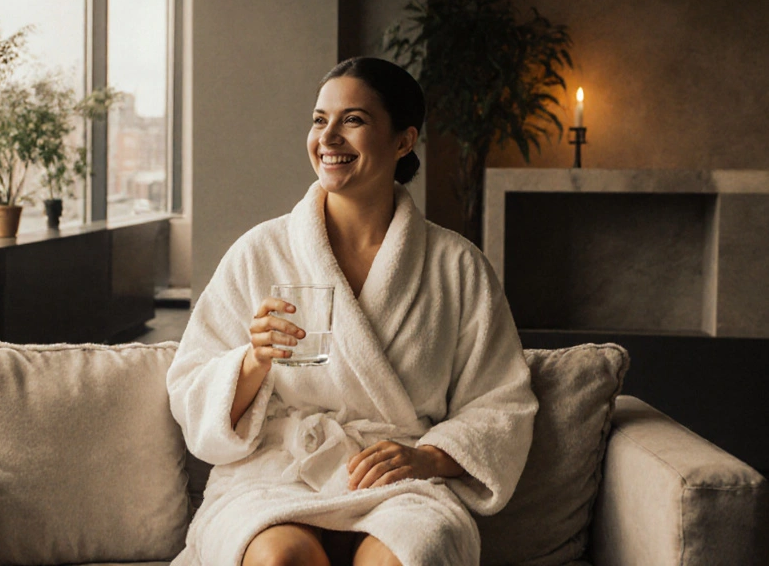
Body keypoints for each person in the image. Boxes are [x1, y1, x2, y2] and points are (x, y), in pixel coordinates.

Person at [166, 57, 539, 566]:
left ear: (404, 141)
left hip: (398, 482)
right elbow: (190, 385)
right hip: (278, 473)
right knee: (279, 558)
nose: (329, 137)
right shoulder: (261, 251)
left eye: (354, 120)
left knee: (406, 556)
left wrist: (426, 457)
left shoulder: (457, 266)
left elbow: (503, 403)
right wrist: (254, 361)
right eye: (320, 120)